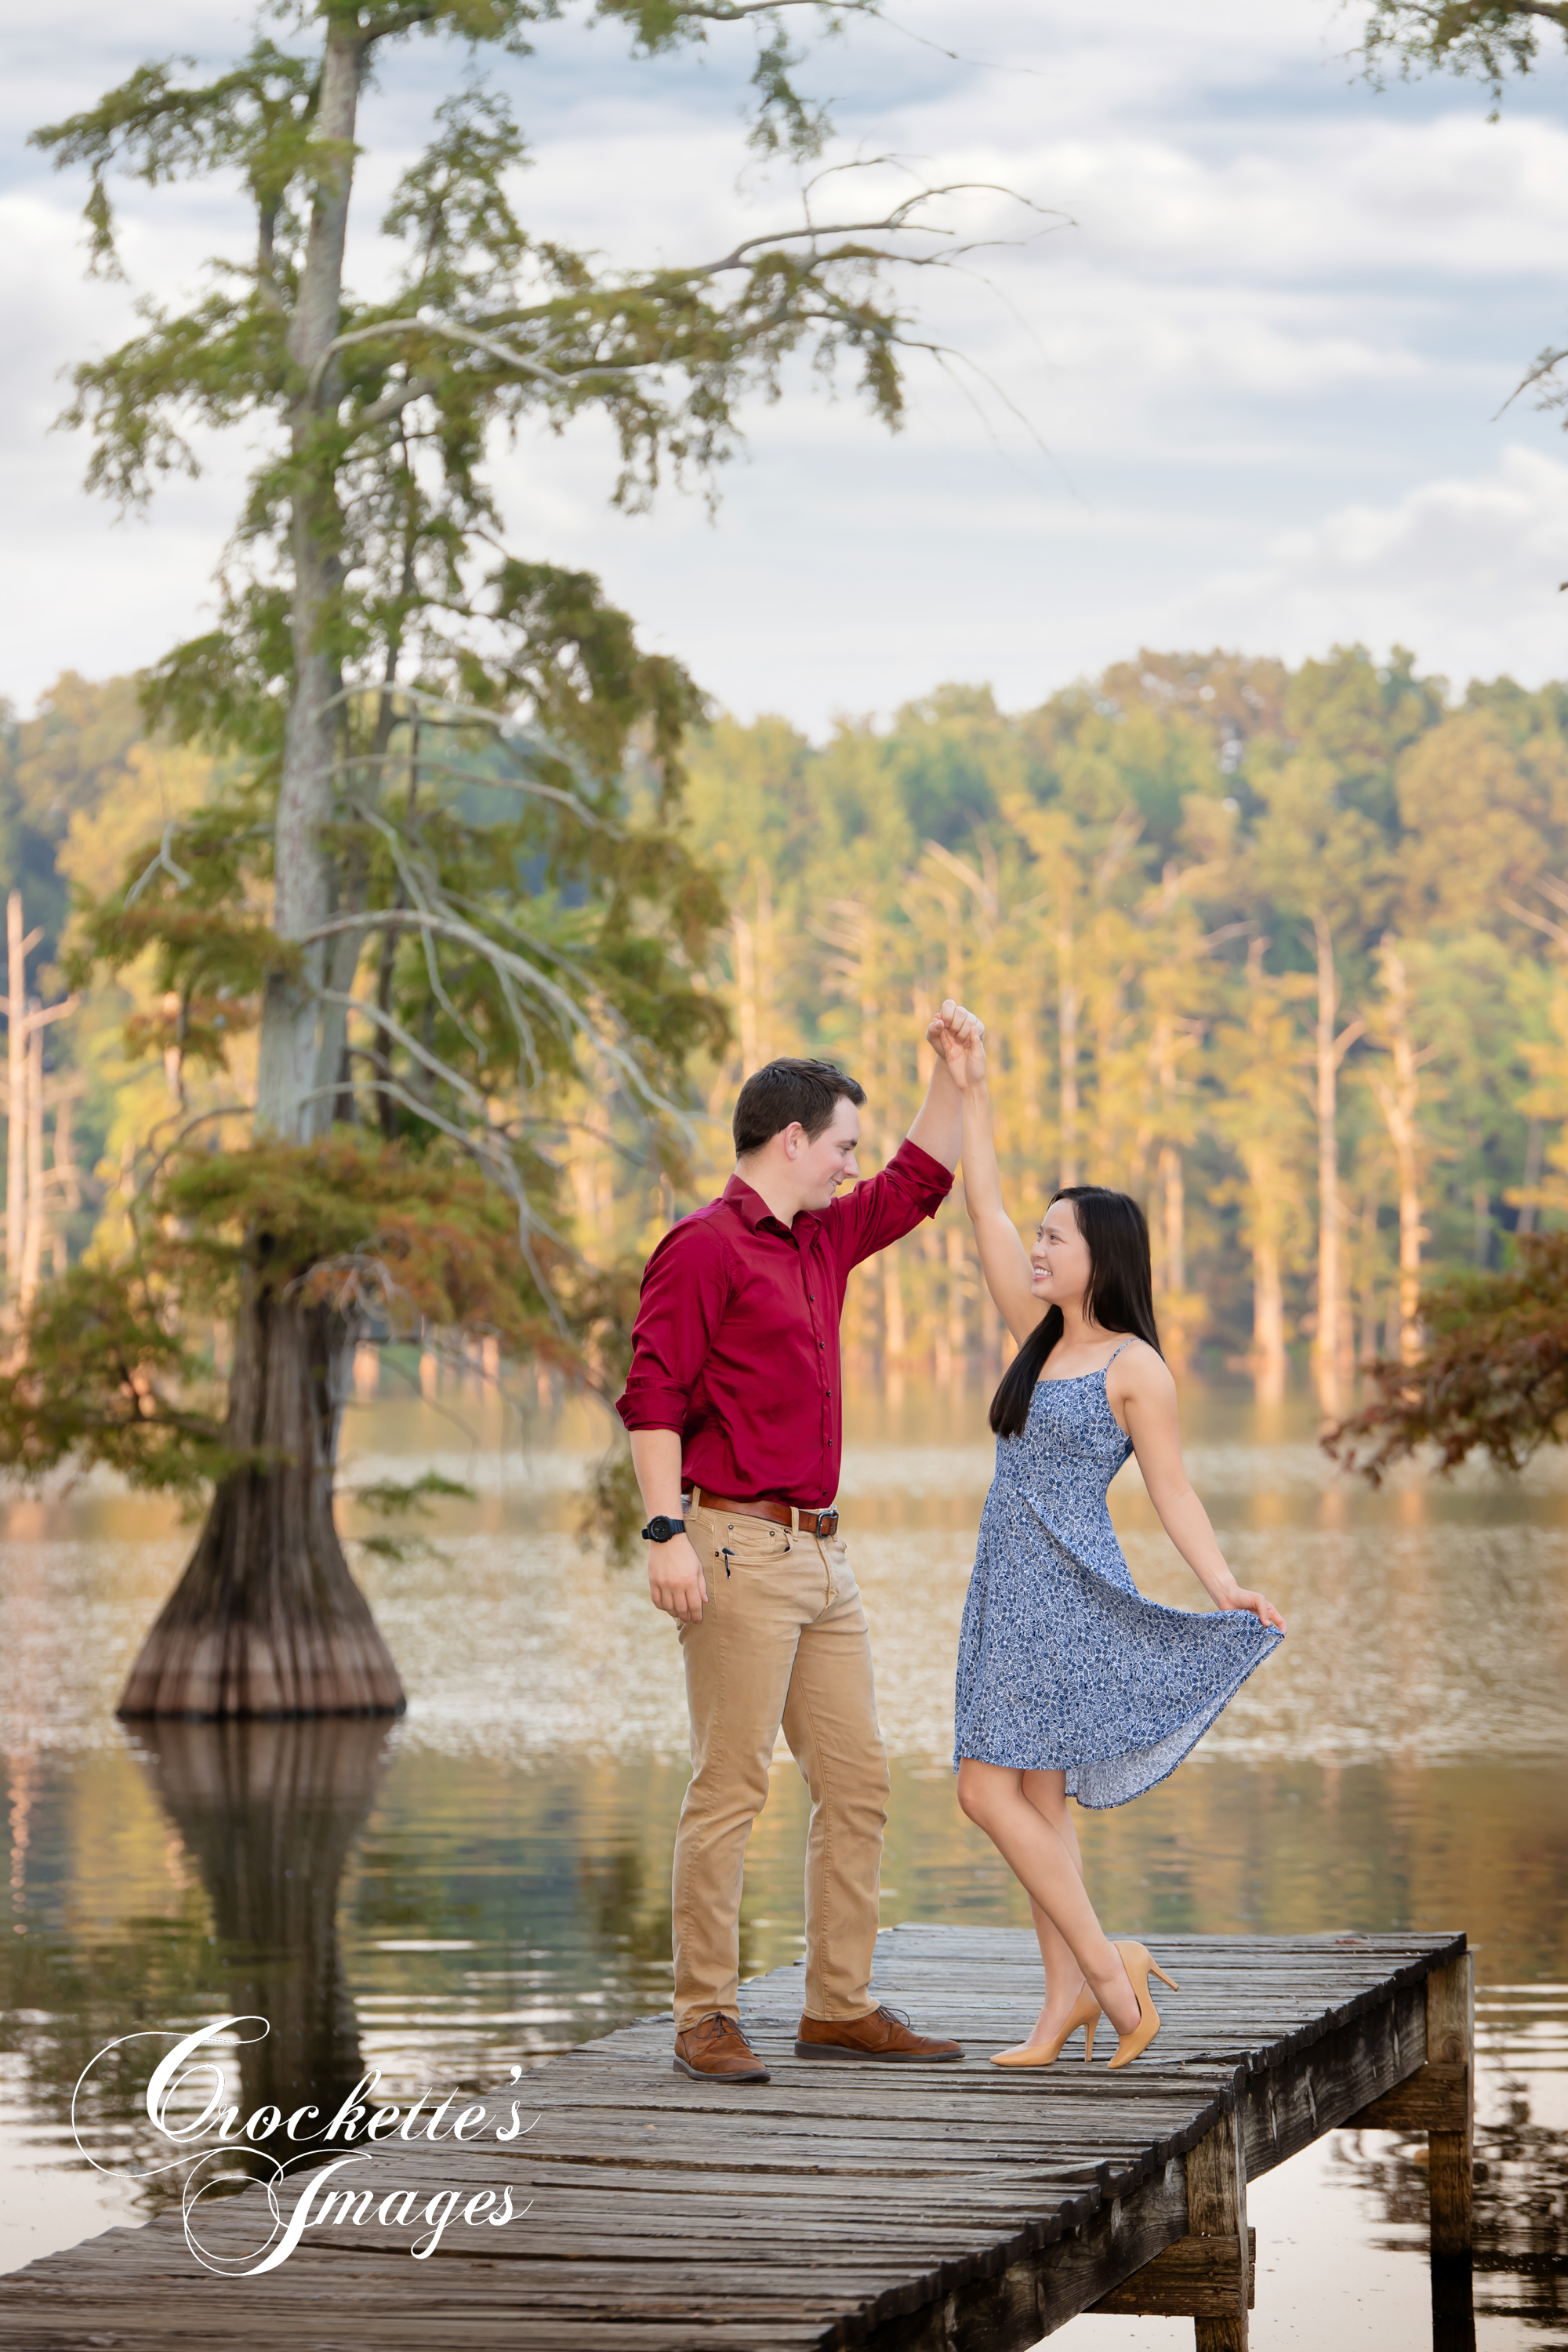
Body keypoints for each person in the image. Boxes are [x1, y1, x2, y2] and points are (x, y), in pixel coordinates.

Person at [930, 1001, 1287, 2070]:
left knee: (982, 1790)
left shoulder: (1138, 1368)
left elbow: (1174, 1495)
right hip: (1006, 1588)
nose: (1035, 1248)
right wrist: (969, 1084)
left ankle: (1108, 1974)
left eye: (1056, 1238)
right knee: (1034, 1799)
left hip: (1075, 1596)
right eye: (1038, 1237)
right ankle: (1063, 2007)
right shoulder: (1034, 1342)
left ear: (1102, 1257)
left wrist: (1225, 1586)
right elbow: (981, 1202)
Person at [617, 1033, 978, 2085]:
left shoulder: (822, 1238)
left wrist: (954, 1079)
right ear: (791, 1141)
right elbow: (652, 1399)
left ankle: (839, 2006)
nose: (856, 1166)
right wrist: (664, 1531)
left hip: (824, 1555)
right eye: (844, 1146)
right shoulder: (702, 1247)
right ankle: (705, 2018)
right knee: (730, 1789)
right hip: (730, 1544)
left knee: (859, 1783)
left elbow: (923, 1180)